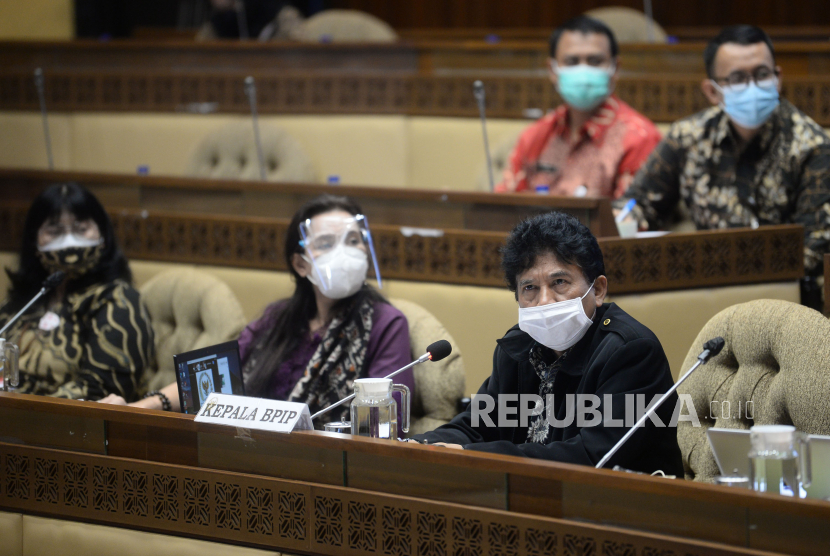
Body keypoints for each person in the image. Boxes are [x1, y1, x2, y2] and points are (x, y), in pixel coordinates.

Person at [102, 194, 414, 425]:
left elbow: (388, 421)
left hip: (327, 465)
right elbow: (216, 376)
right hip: (249, 449)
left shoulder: (386, 323)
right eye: (327, 243)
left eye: (354, 240)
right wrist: (142, 407)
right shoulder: (278, 318)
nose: (345, 253)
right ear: (300, 264)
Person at [411, 212, 684, 475]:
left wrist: (474, 455)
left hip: (625, 509)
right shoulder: (518, 347)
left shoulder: (631, 351)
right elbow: (476, 427)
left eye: (559, 282)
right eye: (529, 288)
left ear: (598, 290)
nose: (544, 301)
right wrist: (420, 445)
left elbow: (593, 457)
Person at [616, 25, 830, 279]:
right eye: (738, 79)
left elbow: (817, 247)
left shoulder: (812, 147)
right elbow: (637, 204)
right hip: (702, 283)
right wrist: (620, 220)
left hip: (781, 290)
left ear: (778, 78)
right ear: (712, 91)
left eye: (762, 74)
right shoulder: (688, 137)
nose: (752, 87)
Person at [0, 183, 154, 400]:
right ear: (34, 241)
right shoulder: (24, 299)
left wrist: (30, 411)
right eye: (54, 231)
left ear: (103, 237)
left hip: (68, 424)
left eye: (81, 229)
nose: (69, 241)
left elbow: (103, 388)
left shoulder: (118, 301)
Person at [496, 15, 661, 198]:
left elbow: (630, 218)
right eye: (572, 62)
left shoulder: (639, 138)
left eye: (595, 61)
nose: (583, 71)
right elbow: (505, 205)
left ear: (615, 68)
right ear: (552, 70)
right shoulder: (535, 136)